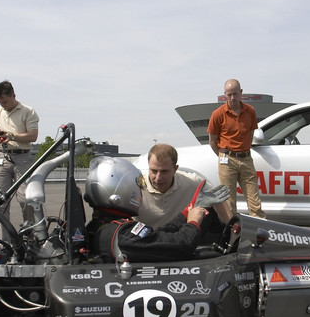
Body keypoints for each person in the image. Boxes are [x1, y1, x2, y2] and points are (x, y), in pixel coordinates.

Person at [84, 156, 226, 263]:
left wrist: (187, 211)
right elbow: (182, 245)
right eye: (138, 186)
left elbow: (156, 236)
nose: (140, 191)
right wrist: (193, 222)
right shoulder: (123, 236)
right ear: (121, 189)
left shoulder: (105, 227)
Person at [0, 80, 40, 239]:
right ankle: (4, 243)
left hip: (22, 158)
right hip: (1, 157)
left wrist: (12, 136)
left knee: (26, 199)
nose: (3, 105)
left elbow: (33, 136)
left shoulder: (28, 111)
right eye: (0, 102)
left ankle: (30, 237)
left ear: (13, 95)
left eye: (5, 102)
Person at [138, 143, 232, 230]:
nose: (158, 178)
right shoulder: (135, 183)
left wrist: (231, 226)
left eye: (164, 171)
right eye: (154, 171)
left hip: (176, 238)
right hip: (143, 239)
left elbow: (216, 197)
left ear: (175, 169)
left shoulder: (192, 181)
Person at [207, 78, 265, 218]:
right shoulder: (218, 114)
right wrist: (223, 156)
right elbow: (212, 141)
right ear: (225, 95)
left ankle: (258, 228)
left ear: (241, 93)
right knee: (229, 203)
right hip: (227, 160)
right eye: (229, 94)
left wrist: (244, 149)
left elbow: (250, 133)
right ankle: (231, 230)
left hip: (246, 159)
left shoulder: (250, 111)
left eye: (235, 94)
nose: (232, 98)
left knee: (255, 202)